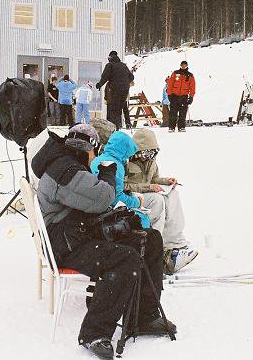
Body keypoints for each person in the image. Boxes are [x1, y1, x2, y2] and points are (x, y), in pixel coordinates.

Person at [33, 124, 176, 359]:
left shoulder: (66, 164)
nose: (96, 157)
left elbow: (93, 200)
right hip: (65, 244)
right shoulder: (65, 171)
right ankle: (94, 333)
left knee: (150, 239)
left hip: (75, 233)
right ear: (88, 149)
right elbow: (103, 198)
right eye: (95, 152)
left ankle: (145, 316)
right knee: (124, 258)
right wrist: (108, 173)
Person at [127, 129, 197, 274]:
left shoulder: (151, 162)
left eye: (152, 153)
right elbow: (125, 185)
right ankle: (156, 247)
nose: (148, 157)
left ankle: (175, 242)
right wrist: (150, 187)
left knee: (173, 194)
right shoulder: (127, 162)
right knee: (157, 200)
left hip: (148, 193)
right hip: (135, 197)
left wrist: (165, 181)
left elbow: (154, 178)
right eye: (146, 153)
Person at [97, 50, 134, 129]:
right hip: (125, 90)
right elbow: (131, 77)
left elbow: (105, 76)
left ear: (110, 58)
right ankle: (122, 124)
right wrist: (125, 82)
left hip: (115, 89)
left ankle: (115, 127)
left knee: (114, 108)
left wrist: (99, 84)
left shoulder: (110, 65)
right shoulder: (124, 65)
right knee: (121, 107)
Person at [166, 61, 195, 132]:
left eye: (185, 65)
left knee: (183, 113)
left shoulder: (190, 75)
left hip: (184, 96)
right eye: (182, 65)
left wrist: (191, 97)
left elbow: (192, 87)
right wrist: (169, 94)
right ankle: (171, 127)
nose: (183, 66)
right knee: (173, 112)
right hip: (174, 96)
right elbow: (170, 84)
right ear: (180, 65)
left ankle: (181, 127)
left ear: (187, 66)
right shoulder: (175, 73)